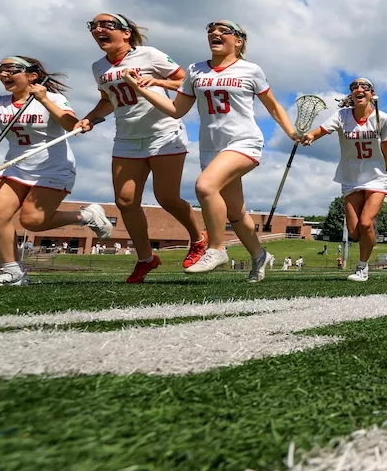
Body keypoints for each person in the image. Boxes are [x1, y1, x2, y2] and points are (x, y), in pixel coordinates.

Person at [122, 20, 299, 282]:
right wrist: (140, 88)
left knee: (205, 187)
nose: (214, 34)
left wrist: (292, 133)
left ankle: (216, 248)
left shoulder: (251, 70)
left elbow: (273, 107)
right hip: (211, 149)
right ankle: (259, 255)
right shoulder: (196, 70)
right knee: (236, 214)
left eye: (223, 31)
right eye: (210, 32)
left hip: (244, 142)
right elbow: (176, 110)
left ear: (238, 41)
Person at [77, 13, 205, 284]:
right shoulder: (98, 67)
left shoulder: (149, 55)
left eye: (106, 25)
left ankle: (198, 238)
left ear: (126, 33)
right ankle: (146, 259)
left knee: (167, 197)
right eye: (94, 26)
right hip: (127, 139)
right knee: (125, 201)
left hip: (164, 134)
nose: (98, 29)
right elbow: (108, 101)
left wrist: (156, 82)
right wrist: (90, 118)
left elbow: (186, 84)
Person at [0, 56, 112, 287]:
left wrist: (44, 99)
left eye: (12, 69)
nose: (4, 74)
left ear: (32, 76)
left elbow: (71, 125)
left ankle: (87, 216)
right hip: (15, 165)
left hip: (53, 168)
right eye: (0, 69)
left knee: (32, 221)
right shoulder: (0, 102)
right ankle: (13, 273)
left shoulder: (54, 98)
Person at [301, 78, 387, 283]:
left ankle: (362, 267)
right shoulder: (342, 116)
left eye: (365, 88)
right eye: (354, 87)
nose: (359, 89)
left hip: (376, 177)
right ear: (351, 95)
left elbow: (386, 151)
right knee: (354, 232)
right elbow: (321, 130)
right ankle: (368, 235)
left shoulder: (383, 118)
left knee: (365, 223)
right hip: (350, 177)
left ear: (372, 95)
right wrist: (310, 136)